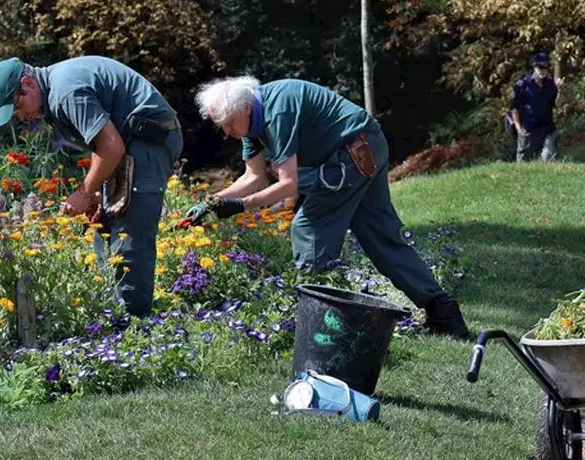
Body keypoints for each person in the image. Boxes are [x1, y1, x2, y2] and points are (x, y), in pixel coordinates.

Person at [184, 77, 470, 338]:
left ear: (244, 108)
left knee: (309, 227)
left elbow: (288, 185)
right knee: (379, 233)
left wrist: (241, 206)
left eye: (227, 122)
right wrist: (211, 202)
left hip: (354, 151)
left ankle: (318, 326)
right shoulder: (251, 123)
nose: (224, 131)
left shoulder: (278, 110)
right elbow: (253, 177)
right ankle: (443, 311)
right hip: (366, 145)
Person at [0, 55, 182, 317]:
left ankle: (135, 328)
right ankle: (113, 316)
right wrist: (96, 191)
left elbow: (111, 146)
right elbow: (104, 145)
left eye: (17, 105)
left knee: (130, 236)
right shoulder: (56, 89)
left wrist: (84, 193)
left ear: (28, 83)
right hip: (131, 144)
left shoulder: (66, 91)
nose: (21, 115)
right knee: (105, 230)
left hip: (150, 140)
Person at [509, 52, 560, 162]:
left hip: (547, 128)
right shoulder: (522, 85)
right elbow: (514, 108)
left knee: (550, 160)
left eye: (546, 67)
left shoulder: (551, 84)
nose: (543, 70)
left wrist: (561, 91)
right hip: (528, 129)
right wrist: (519, 129)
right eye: (541, 67)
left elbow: (557, 104)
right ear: (534, 66)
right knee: (523, 165)